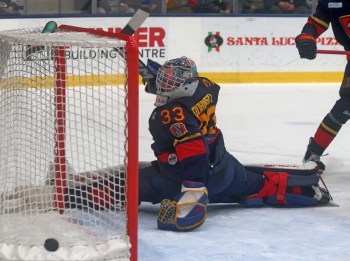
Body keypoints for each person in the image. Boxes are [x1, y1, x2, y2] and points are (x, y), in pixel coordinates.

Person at [295, 0, 350, 170]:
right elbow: (317, 21)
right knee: (345, 107)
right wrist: (307, 37)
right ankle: (313, 153)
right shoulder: (333, 3)